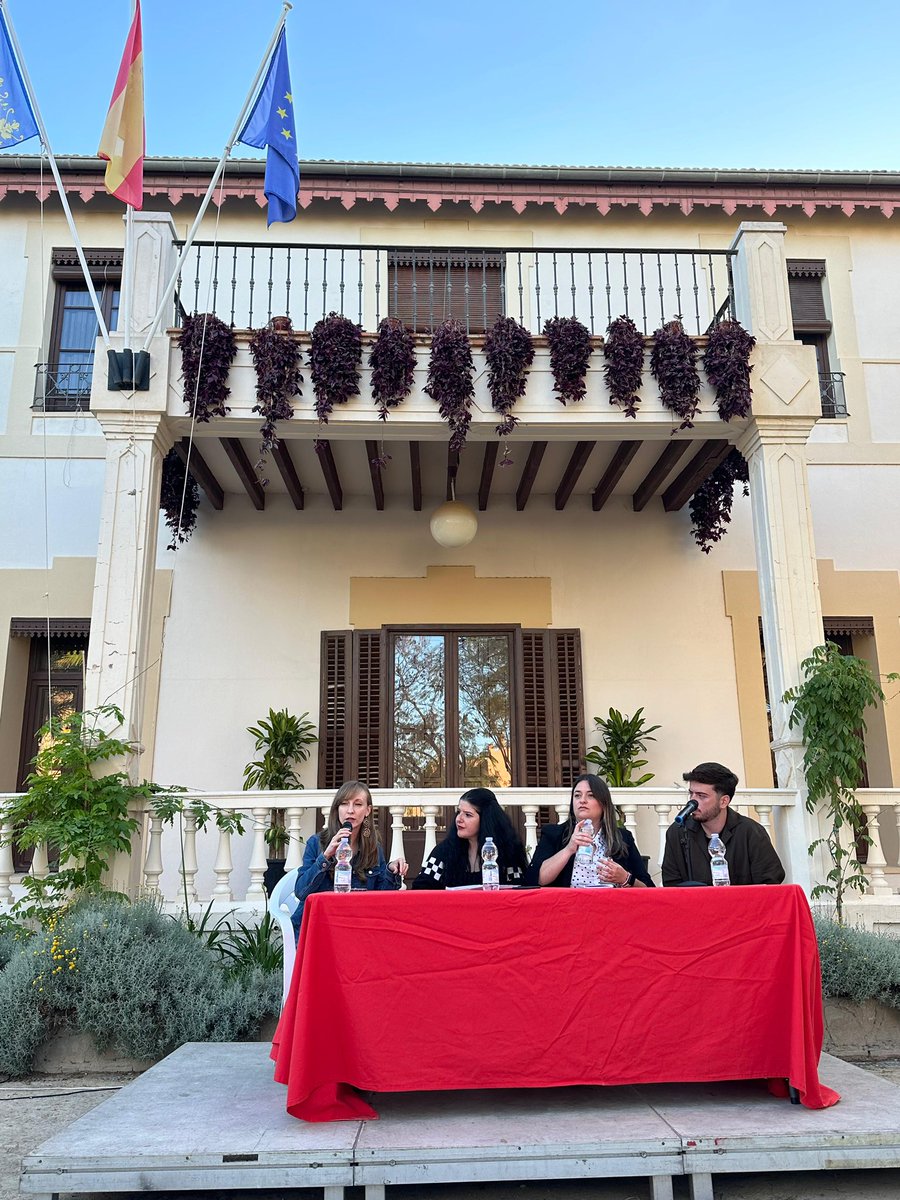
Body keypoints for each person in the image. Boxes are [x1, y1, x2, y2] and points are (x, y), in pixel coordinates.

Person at [291, 781, 407, 939]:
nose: (350, 810)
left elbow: (382, 899)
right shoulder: (317, 842)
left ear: (367, 810)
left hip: (356, 928)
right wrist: (326, 856)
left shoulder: (373, 848)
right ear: (337, 809)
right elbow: (301, 891)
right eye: (344, 804)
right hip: (316, 928)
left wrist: (391, 871)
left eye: (358, 804)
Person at [661, 761, 785, 886]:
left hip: (742, 905)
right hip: (694, 905)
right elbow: (671, 884)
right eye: (691, 794)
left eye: (701, 796)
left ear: (724, 801)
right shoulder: (678, 832)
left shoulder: (751, 832)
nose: (693, 801)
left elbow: (770, 882)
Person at [524, 773, 654, 888]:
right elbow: (535, 879)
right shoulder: (554, 834)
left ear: (603, 804)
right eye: (577, 795)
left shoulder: (623, 838)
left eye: (590, 795)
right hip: (568, 910)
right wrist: (569, 849)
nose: (582, 800)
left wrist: (626, 878)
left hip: (612, 909)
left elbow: (648, 887)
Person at [411, 787, 529, 889]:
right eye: (459, 812)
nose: (459, 819)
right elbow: (421, 889)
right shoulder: (445, 851)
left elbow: (517, 890)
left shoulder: (507, 852)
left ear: (485, 820)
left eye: (468, 815)